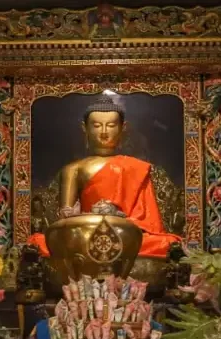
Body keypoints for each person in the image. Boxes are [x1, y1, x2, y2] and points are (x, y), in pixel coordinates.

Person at [28, 96, 181, 259]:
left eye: (111, 125)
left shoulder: (136, 167)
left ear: (123, 128)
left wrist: (118, 217)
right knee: (38, 243)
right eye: (96, 125)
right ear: (84, 128)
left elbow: (147, 222)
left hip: (127, 235)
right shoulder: (74, 169)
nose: (103, 132)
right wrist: (89, 216)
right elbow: (66, 220)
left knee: (166, 243)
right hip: (87, 234)